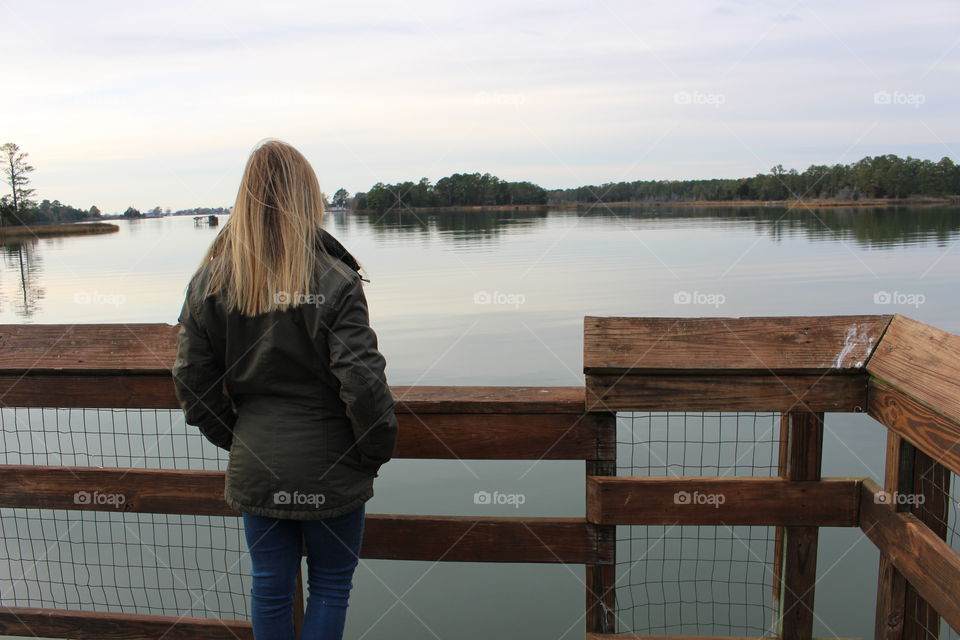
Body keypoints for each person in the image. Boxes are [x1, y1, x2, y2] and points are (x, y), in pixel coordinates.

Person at [172, 139, 398, 639]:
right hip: (333, 460)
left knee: (269, 586)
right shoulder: (335, 279)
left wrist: (237, 437)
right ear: (307, 197)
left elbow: (191, 380)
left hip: (257, 458)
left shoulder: (210, 280)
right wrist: (373, 452)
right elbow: (362, 384)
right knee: (332, 586)